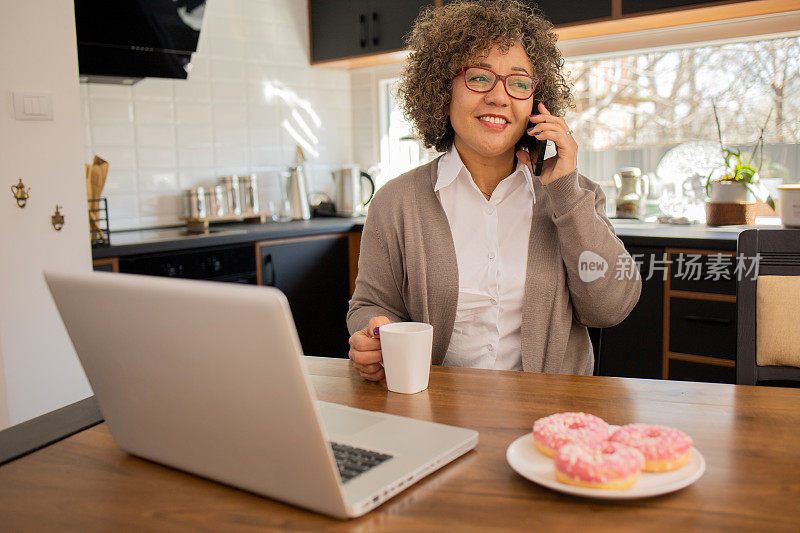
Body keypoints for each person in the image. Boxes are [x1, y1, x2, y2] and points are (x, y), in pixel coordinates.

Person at [346, 0, 641, 382]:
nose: (499, 97)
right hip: (437, 413)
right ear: (442, 88)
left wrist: (565, 193)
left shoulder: (574, 196)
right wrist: (373, 335)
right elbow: (371, 304)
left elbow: (611, 308)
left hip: (549, 419)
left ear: (536, 102)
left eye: (519, 83)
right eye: (479, 77)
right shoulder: (396, 202)